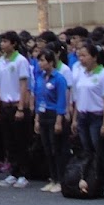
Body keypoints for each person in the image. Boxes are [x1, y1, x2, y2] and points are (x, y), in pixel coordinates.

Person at [70, 42, 104, 178]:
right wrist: (75, 119)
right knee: (87, 151)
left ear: (94, 57)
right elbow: (78, 98)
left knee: (101, 151)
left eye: (85, 55)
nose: (81, 59)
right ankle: (92, 179)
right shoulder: (81, 74)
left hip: (97, 117)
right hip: (83, 116)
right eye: (79, 56)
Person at [0, 31, 31, 188]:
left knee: (20, 141)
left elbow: (24, 85)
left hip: (16, 104)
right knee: (9, 142)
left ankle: (23, 173)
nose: (2, 44)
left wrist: (21, 107)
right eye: (1, 41)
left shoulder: (21, 61)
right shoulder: (1, 60)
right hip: (4, 104)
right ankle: (13, 172)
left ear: (14, 44)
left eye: (6, 41)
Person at [33, 49, 68, 193]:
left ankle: (60, 179)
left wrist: (59, 121)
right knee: (47, 149)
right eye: (39, 60)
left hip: (54, 114)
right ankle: (52, 178)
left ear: (51, 62)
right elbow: (38, 98)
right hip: (43, 114)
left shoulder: (59, 78)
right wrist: (36, 118)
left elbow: (61, 101)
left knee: (57, 149)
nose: (40, 64)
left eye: (43, 61)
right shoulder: (40, 77)